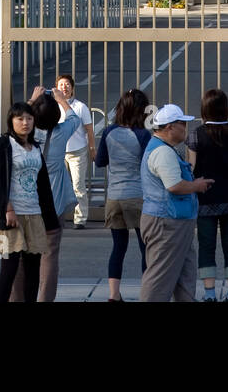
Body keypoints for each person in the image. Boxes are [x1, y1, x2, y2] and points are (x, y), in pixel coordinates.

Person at [0, 101, 58, 303]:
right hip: (7, 219)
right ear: (11, 121)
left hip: (33, 214)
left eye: (29, 118)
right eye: (20, 118)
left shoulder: (35, 148)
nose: (25, 123)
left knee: (33, 269)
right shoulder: (2, 145)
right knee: (8, 267)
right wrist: (7, 208)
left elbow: (42, 185)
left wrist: (49, 218)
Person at [11, 85, 78, 302]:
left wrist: (32, 100)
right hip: (54, 206)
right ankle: (45, 299)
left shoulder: (25, 136)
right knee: (50, 258)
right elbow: (74, 118)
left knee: (21, 257)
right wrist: (62, 100)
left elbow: (13, 122)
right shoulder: (60, 134)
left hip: (26, 206)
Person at [140, 104, 213, 302]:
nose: (186, 128)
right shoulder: (163, 152)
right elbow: (174, 186)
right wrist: (196, 186)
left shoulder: (162, 148)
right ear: (170, 127)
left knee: (184, 275)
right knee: (159, 278)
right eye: (182, 124)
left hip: (174, 221)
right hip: (167, 223)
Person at [187, 88, 228, 302]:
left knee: (206, 244)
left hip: (206, 197)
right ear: (225, 108)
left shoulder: (196, 134)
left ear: (204, 109)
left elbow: (192, 168)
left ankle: (209, 293)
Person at [95, 88, 151, 301]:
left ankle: (114, 294)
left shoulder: (109, 132)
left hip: (114, 197)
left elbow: (100, 161)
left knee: (118, 248)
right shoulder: (143, 135)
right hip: (137, 196)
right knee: (145, 247)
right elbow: (149, 164)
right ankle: (147, 292)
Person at [56, 74, 95, 228]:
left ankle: (80, 218)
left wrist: (92, 148)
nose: (64, 87)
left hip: (77, 152)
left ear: (72, 88)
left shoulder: (80, 107)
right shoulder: (53, 106)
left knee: (78, 186)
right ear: (56, 88)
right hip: (59, 153)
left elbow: (89, 130)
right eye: (61, 85)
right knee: (58, 185)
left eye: (67, 85)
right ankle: (59, 215)